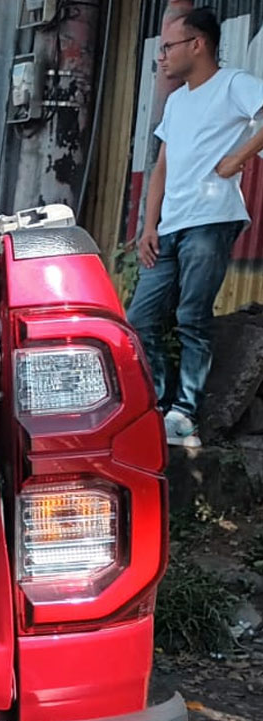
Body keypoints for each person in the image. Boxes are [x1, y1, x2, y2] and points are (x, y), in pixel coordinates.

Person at [127, 6, 263, 447]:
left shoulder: (233, 83)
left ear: (197, 45)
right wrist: (149, 224)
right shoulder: (179, 100)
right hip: (170, 225)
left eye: (168, 47)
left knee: (191, 316)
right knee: (141, 317)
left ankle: (184, 414)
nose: (161, 57)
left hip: (212, 220)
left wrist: (238, 159)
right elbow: (162, 165)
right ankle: (159, 404)